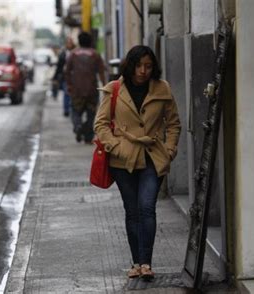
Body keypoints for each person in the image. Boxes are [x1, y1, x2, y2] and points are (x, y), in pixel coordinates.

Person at [93, 45, 181, 280]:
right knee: (132, 212)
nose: (143, 71)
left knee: (146, 207)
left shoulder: (162, 88)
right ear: (130, 66)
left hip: (153, 156)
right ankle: (135, 263)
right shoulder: (114, 89)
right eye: (139, 65)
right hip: (122, 161)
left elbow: (173, 123)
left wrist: (170, 149)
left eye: (148, 66)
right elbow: (101, 124)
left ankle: (146, 263)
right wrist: (115, 147)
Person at [65, 32, 106, 143]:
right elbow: (101, 72)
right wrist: (105, 86)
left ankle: (78, 126)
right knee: (91, 114)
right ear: (90, 41)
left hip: (77, 90)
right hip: (92, 89)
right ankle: (88, 136)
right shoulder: (95, 54)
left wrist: (69, 85)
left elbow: (67, 71)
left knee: (76, 112)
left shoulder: (73, 54)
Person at [52, 37, 75, 116]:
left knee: (73, 94)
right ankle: (66, 110)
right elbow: (59, 66)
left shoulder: (76, 52)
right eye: (68, 43)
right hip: (66, 77)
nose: (69, 44)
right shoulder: (63, 53)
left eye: (71, 42)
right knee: (66, 93)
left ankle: (72, 109)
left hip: (75, 77)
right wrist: (55, 78)